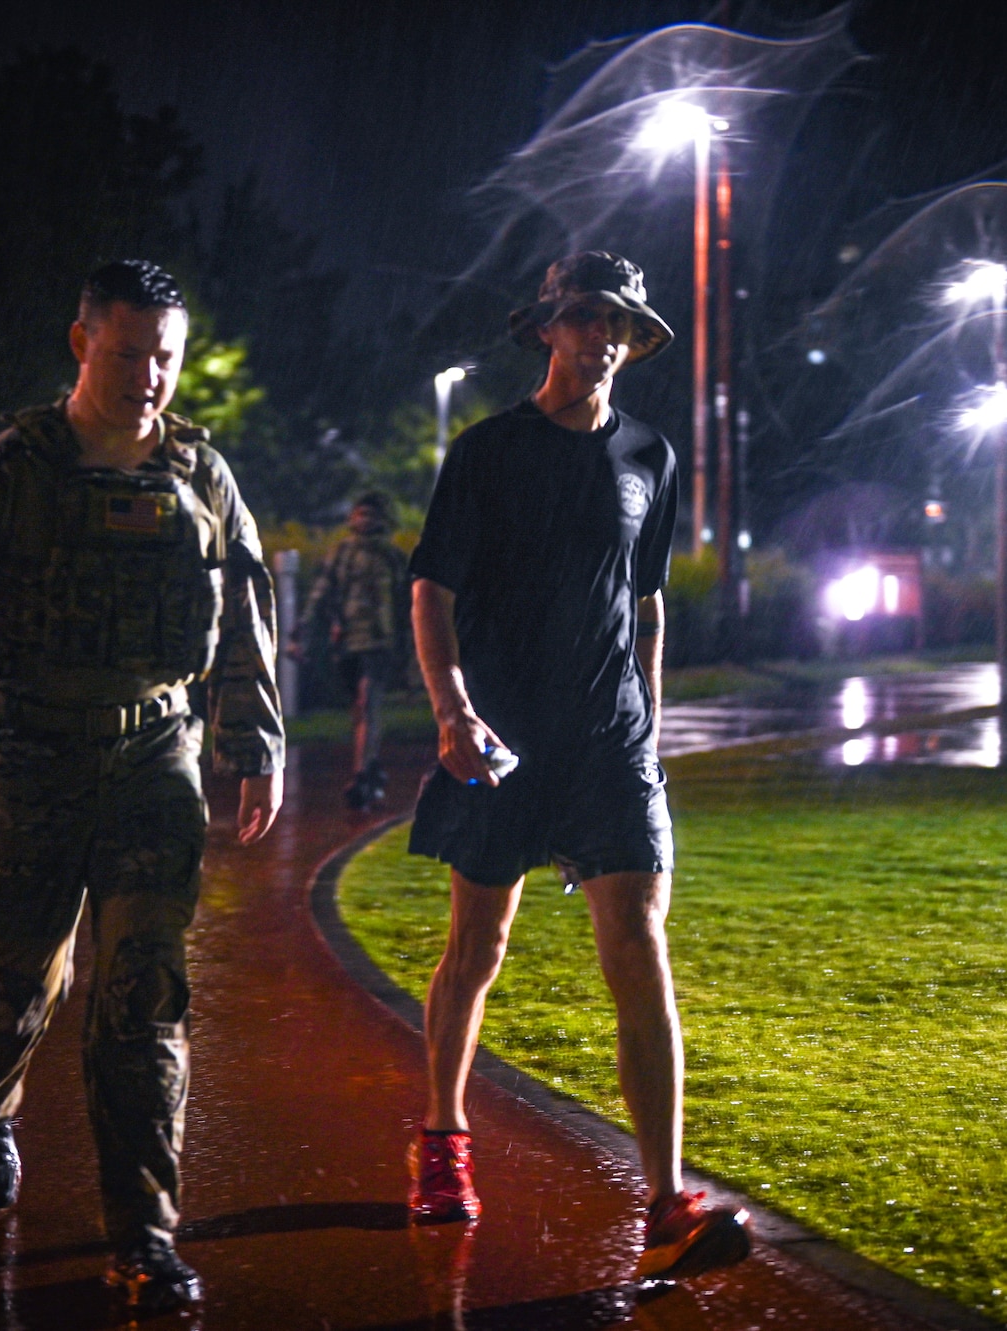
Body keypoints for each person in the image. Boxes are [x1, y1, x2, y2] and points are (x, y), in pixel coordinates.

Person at [0, 259, 285, 1313]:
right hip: (28, 749)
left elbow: (243, 615)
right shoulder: (12, 470)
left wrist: (253, 741)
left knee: (142, 1000)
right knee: (19, 977)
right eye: (126, 353)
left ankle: (142, 1235)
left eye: (165, 356)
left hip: (155, 755)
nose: (148, 376)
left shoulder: (202, 475)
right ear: (80, 345)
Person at [402, 251, 750, 1282]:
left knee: (637, 941)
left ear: (632, 341)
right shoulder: (487, 450)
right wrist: (452, 707)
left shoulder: (650, 453)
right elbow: (431, 589)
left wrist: (648, 712)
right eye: (584, 317)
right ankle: (440, 1137)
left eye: (620, 324)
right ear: (547, 328)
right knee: (477, 943)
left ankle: (662, 1198)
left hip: (611, 741)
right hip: (501, 737)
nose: (601, 336)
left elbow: (644, 599)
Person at [299, 489, 410, 809]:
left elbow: (406, 603)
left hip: (380, 642)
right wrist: (305, 627)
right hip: (347, 643)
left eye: (371, 514)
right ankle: (370, 763)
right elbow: (322, 592)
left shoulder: (392, 557)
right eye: (360, 513)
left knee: (368, 701)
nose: (365, 520)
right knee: (359, 708)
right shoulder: (341, 554)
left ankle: (361, 774)